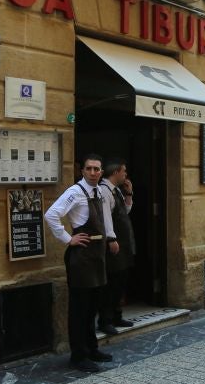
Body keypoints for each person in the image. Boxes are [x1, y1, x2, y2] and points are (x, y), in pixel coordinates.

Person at [45, 155, 119, 372]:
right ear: (83, 171)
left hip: (97, 256)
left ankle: (92, 348)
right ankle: (78, 356)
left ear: (102, 171)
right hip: (81, 258)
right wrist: (68, 239)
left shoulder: (100, 192)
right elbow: (51, 215)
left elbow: (106, 219)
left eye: (97, 169)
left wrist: (112, 237)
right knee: (79, 309)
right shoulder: (74, 192)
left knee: (92, 306)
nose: (93, 172)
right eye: (89, 169)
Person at [101, 158, 137, 336]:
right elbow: (106, 217)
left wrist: (129, 194)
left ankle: (116, 315)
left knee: (120, 281)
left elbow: (125, 212)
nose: (126, 175)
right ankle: (105, 320)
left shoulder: (117, 191)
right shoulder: (105, 191)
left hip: (123, 244)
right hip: (114, 245)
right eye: (124, 171)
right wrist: (111, 238)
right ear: (115, 173)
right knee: (111, 283)